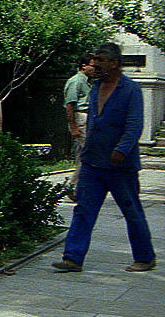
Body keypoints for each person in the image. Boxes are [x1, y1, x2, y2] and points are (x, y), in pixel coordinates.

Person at [53, 42, 156, 273]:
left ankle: (145, 257)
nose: (94, 64)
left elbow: (134, 125)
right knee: (83, 210)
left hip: (121, 166)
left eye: (99, 60)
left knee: (131, 211)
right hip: (92, 163)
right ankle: (73, 258)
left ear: (114, 63)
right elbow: (93, 122)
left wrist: (121, 150)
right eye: (94, 59)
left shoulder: (130, 90)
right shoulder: (95, 87)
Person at [63, 54, 95, 201]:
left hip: (87, 118)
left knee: (83, 155)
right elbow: (70, 105)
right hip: (80, 118)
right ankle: (74, 187)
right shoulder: (76, 81)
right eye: (92, 66)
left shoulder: (86, 82)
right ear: (84, 66)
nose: (95, 69)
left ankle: (76, 188)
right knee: (89, 153)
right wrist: (73, 126)